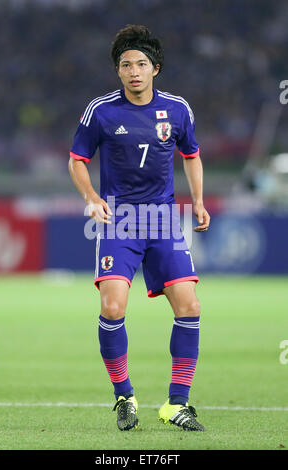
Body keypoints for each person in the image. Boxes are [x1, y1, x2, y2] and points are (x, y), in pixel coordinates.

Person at [68, 24, 210, 432]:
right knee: (112, 307)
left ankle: (176, 404)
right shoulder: (101, 111)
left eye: (141, 64)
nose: (134, 71)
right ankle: (124, 396)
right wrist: (92, 199)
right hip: (121, 219)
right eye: (126, 64)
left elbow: (192, 155)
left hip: (163, 219)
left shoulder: (178, 109)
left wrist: (198, 200)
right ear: (118, 71)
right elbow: (77, 158)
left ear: (156, 68)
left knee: (190, 306)